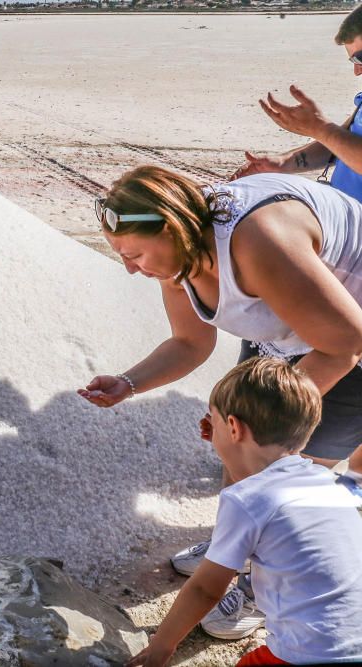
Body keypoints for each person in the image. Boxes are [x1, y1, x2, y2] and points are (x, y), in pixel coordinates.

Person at [78, 165, 362, 636]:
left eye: (135, 255)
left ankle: (265, 583)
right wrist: (129, 383)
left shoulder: (259, 241)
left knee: (287, 472)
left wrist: (271, 432)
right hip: (295, 323)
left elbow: (345, 344)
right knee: (239, 444)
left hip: (350, 342)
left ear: (170, 228)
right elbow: (191, 343)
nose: (130, 268)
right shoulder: (180, 249)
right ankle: (234, 550)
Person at [125, 357, 362, 667]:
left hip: (312, 654)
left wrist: (161, 648)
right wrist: (227, 442)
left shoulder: (247, 500)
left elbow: (205, 589)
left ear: (234, 427)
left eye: (212, 421)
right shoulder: (331, 488)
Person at [231, 5, 362, 201]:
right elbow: (341, 142)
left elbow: (333, 137)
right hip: (342, 219)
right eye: (353, 61)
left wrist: (320, 128)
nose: (357, 71)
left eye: (360, 58)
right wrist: (284, 162)